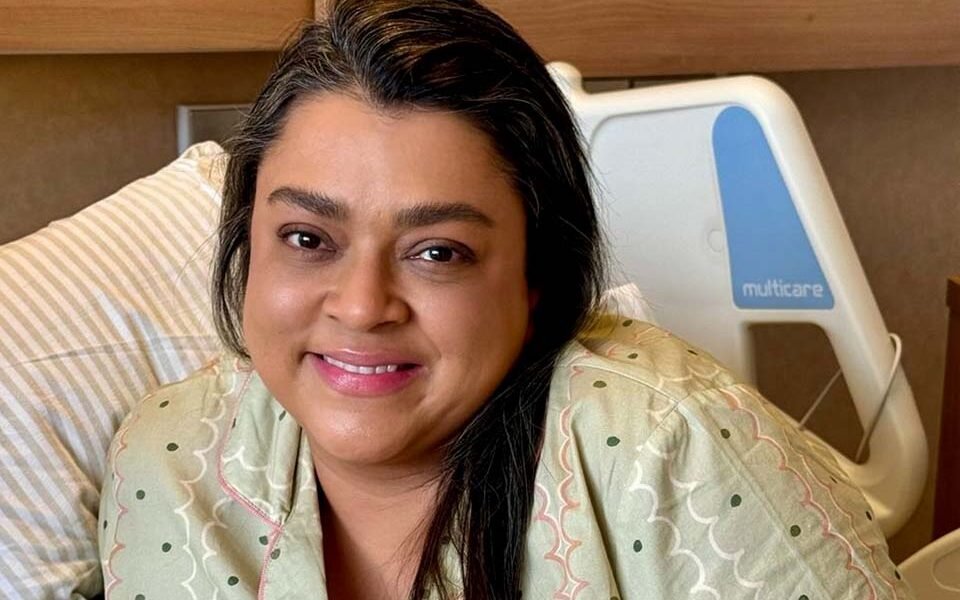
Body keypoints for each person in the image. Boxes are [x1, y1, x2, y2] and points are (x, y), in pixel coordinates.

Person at [98, 1, 914, 598]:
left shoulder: (672, 451)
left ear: (534, 279)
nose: (362, 305)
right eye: (308, 238)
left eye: (437, 252)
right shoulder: (169, 460)